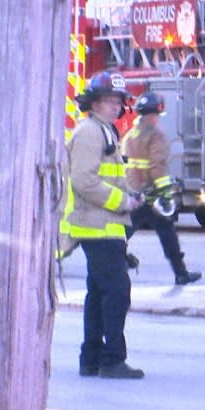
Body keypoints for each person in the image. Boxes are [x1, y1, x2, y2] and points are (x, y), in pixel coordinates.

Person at [61, 71, 144, 379]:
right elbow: (84, 181)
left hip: (105, 225)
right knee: (117, 291)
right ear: (93, 103)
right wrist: (123, 202)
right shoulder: (90, 133)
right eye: (108, 100)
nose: (114, 106)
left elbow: (104, 177)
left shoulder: (104, 130)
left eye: (118, 101)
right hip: (96, 226)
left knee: (98, 294)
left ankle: (92, 358)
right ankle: (112, 359)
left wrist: (130, 197)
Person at [123, 91, 202, 285]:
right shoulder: (156, 136)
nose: (157, 119)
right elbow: (157, 166)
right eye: (157, 115)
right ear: (152, 115)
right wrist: (166, 194)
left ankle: (120, 260)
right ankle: (180, 273)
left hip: (134, 193)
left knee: (123, 232)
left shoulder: (130, 135)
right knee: (168, 236)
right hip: (152, 196)